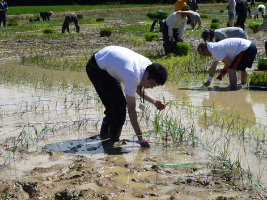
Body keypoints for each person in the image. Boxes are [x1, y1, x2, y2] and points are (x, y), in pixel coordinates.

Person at [86, 46, 168, 147]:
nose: (151, 87)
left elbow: (139, 87)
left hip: (107, 62)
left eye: (154, 86)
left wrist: (154, 101)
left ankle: (105, 137)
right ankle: (111, 144)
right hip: (96, 67)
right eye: (152, 84)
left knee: (115, 106)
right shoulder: (131, 75)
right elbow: (132, 110)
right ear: (147, 74)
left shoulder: (148, 66)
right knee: (119, 109)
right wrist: (140, 137)